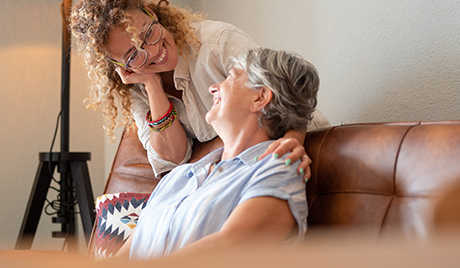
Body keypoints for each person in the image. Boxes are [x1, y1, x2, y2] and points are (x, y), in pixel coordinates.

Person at [70, 0, 328, 180]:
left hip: (296, 146)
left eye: (148, 33)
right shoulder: (136, 84)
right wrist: (151, 85)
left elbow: (285, 93)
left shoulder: (217, 43)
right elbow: (172, 158)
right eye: (133, 54)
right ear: (117, 66)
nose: (152, 51)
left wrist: (293, 141)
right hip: (233, 169)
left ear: (151, 13)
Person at [121, 48, 319, 259]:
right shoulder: (178, 177)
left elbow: (231, 246)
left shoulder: (279, 168)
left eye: (231, 77)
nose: (213, 87)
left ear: (260, 97)